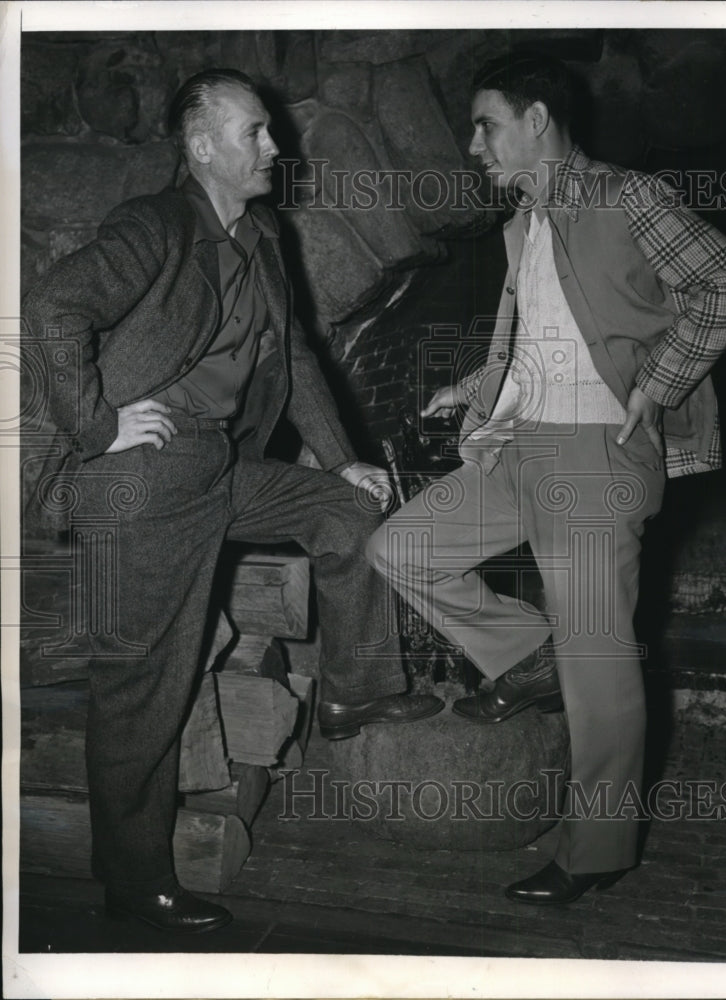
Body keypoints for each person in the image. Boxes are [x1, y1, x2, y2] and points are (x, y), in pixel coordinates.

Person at [22, 68, 443, 933]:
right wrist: (98, 425)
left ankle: (352, 690)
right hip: (143, 479)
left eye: (271, 131)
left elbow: (291, 351)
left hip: (218, 464)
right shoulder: (155, 225)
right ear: (202, 144)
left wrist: (344, 460)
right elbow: (54, 304)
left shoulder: (260, 234)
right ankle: (135, 884)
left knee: (347, 513)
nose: (274, 147)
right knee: (142, 684)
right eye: (254, 133)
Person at [367, 51, 726, 904]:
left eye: (486, 124)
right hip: (520, 444)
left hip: (594, 458)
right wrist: (475, 386)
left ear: (537, 120)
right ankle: (530, 655)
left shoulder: (628, 197)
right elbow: (547, 335)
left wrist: (659, 385)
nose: (474, 145)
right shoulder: (525, 220)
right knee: (401, 548)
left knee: (600, 663)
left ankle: (598, 850)